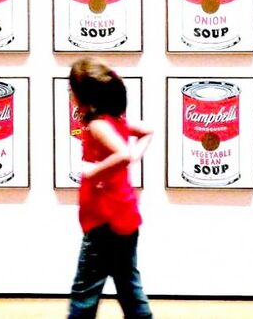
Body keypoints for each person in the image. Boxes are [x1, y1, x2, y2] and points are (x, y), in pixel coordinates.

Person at [67, 57, 154, 319]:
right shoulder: (115, 121)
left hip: (104, 220)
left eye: (71, 91)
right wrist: (134, 154)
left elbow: (123, 154)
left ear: (82, 96)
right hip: (124, 216)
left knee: (85, 291)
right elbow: (147, 131)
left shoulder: (98, 125)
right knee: (128, 285)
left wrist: (94, 171)